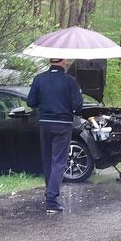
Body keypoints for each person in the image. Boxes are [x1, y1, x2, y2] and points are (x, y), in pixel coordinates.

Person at [27, 58, 83, 214]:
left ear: (49, 60)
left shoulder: (39, 78)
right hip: (63, 125)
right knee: (58, 161)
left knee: (47, 160)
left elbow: (31, 102)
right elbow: (78, 105)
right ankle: (51, 200)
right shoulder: (70, 81)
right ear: (63, 61)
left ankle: (49, 192)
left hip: (45, 123)